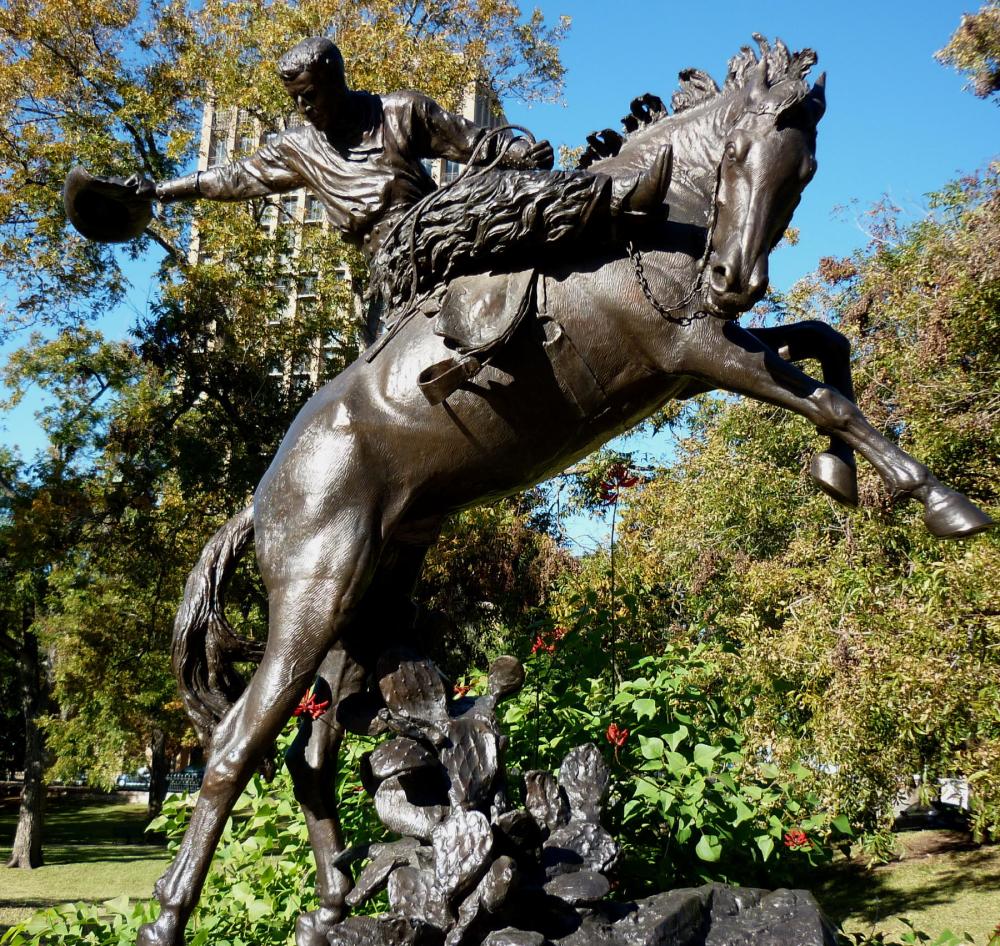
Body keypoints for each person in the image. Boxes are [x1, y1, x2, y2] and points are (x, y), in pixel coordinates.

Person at [142, 36, 671, 326]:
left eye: (310, 96)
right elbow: (236, 176)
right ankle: (615, 203)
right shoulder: (298, 148)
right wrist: (162, 190)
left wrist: (516, 151)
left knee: (486, 193)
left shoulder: (400, 111)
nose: (303, 109)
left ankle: (606, 211)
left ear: (336, 81)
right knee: (484, 200)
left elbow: (471, 143)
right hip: (396, 260)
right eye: (295, 100)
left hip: (436, 227)